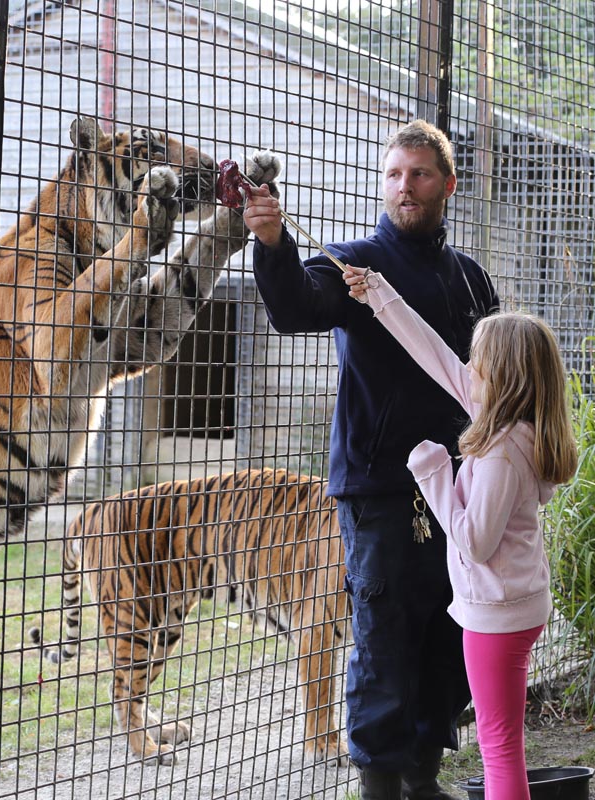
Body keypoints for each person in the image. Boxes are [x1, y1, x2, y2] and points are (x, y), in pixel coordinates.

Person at [244, 120, 500, 799]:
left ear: (447, 184)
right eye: (394, 174)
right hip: (380, 491)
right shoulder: (356, 267)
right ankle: (381, 785)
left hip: (462, 489)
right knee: (383, 640)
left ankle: (424, 775)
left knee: (449, 632)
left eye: (418, 174)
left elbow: (494, 378)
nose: (404, 186)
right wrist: (272, 244)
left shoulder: (471, 282)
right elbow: (296, 306)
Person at [342, 263, 578, 799]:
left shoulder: (500, 450)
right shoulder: (509, 421)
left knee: (498, 745)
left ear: (505, 374)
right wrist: (379, 294)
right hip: (511, 606)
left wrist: (432, 474)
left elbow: (474, 540)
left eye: (480, 360)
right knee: (502, 740)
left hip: (498, 614)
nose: (469, 366)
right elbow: (437, 358)